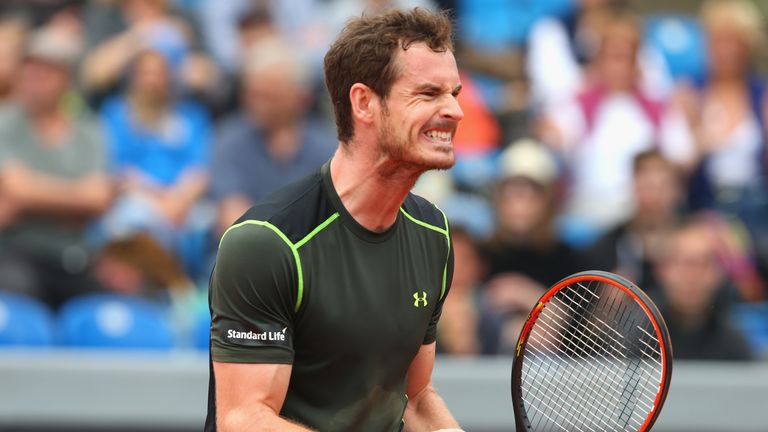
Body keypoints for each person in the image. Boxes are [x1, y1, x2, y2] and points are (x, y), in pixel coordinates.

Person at [206, 8, 465, 432]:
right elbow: (244, 418)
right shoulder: (266, 243)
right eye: (428, 93)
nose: (454, 110)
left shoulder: (433, 233)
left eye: (454, 93)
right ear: (364, 103)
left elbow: (415, 399)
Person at [0, 27, 113, 308]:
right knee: (18, 299)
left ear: (66, 78)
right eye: (29, 68)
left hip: (75, 255)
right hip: (16, 250)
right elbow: (17, 190)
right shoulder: (5, 123)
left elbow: (98, 198)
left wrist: (29, 200)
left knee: (114, 307)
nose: (34, 77)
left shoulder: (89, 130)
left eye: (46, 70)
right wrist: (76, 201)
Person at [210, 36, 335, 235]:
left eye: (271, 97)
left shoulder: (326, 147)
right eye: (254, 95)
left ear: (300, 99)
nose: (259, 105)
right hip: (250, 249)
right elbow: (233, 220)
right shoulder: (229, 140)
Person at [653, 217, 753, 361]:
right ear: (661, 270)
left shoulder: (735, 344)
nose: (692, 276)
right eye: (684, 263)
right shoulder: (635, 338)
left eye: (704, 263)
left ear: (719, 274)